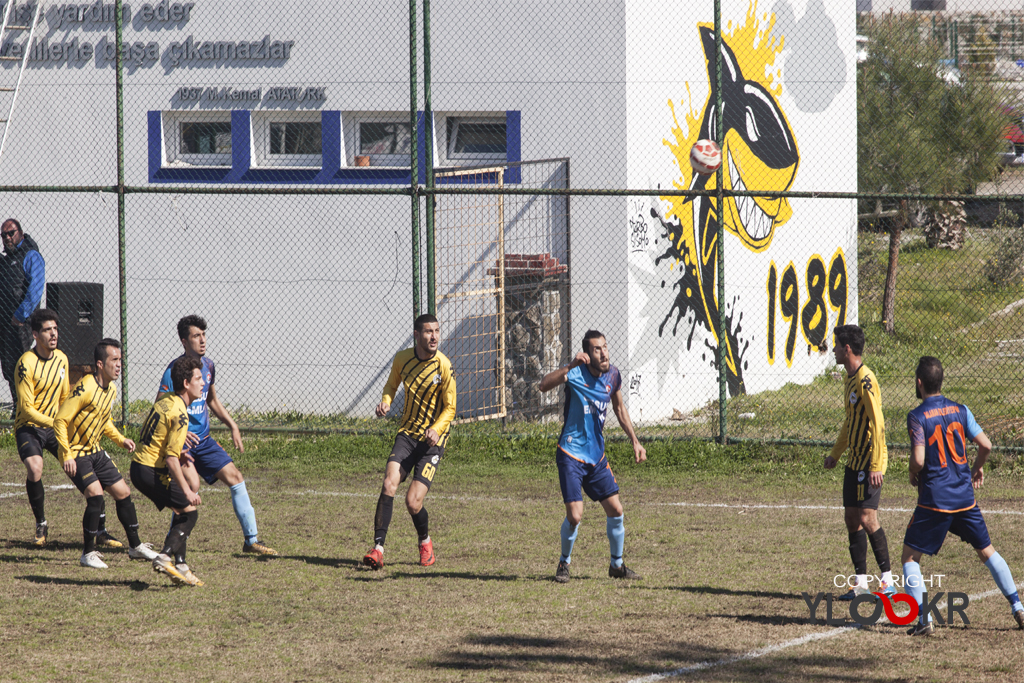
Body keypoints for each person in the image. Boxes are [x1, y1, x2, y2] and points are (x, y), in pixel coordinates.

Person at [902, 356, 1024, 635]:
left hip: (935, 500)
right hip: (964, 498)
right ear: (940, 381)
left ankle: (924, 620)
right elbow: (986, 444)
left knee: (910, 558)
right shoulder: (960, 409)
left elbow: (919, 460)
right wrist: (977, 468)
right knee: (987, 551)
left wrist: (911, 472)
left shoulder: (917, 416)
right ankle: (1018, 606)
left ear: (919, 383)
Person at [158, 315, 276, 556]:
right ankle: (172, 546)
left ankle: (251, 541)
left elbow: (211, 399)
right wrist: (177, 437)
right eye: (196, 336)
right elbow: (160, 405)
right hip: (183, 443)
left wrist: (232, 424)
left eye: (203, 334)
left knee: (235, 476)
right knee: (191, 486)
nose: (202, 340)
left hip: (204, 440)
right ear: (184, 341)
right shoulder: (174, 370)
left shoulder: (208, 366)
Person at [538, 329, 646, 583]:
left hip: (596, 457)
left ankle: (616, 566)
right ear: (587, 354)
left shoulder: (613, 375)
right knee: (575, 516)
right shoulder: (575, 373)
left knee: (616, 510)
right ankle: (564, 563)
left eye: (605, 347)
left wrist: (635, 441)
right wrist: (570, 365)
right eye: (597, 349)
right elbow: (543, 385)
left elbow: (619, 408)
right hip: (571, 454)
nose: (603, 352)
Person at [53, 338, 159, 569]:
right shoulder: (85, 387)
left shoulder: (110, 389)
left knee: (123, 492)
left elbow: (104, 420)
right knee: (96, 495)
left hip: (96, 452)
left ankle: (135, 546)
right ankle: (88, 553)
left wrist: (120, 439)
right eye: (114, 360)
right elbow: (60, 420)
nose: (119, 364)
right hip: (77, 453)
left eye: (120, 359)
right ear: (100, 364)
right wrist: (67, 454)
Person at [363, 313, 456, 570]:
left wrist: (436, 430)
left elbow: (450, 408)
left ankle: (425, 541)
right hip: (407, 435)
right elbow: (391, 386)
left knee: (413, 502)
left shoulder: (444, 366)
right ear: (417, 335)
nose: (434, 336)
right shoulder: (402, 359)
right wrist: (386, 402)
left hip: (432, 443)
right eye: (428, 332)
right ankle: (378, 549)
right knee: (389, 483)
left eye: (437, 331)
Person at [824, 324, 895, 599]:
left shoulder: (866, 380)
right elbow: (850, 422)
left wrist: (877, 464)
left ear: (847, 348)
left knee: (868, 517)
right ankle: (861, 583)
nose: (834, 350)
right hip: (854, 462)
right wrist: (835, 453)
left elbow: (877, 424)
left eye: (837, 346)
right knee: (851, 518)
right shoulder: (849, 379)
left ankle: (888, 581)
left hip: (869, 462)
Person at [133, 356, 206, 586]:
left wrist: (176, 453)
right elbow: (172, 462)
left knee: (181, 510)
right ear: (186, 383)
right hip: (150, 470)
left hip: (140, 466)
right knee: (189, 512)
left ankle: (182, 565)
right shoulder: (181, 413)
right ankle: (164, 557)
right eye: (198, 378)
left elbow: (155, 438)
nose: (203, 383)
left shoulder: (166, 401)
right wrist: (187, 491)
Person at [14, 309, 69, 546]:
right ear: (35, 335)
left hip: (55, 427)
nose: (53, 334)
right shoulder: (25, 363)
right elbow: (26, 410)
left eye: (55, 329)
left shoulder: (62, 359)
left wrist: (67, 422)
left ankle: (100, 525)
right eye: (47, 330)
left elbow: (65, 397)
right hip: (30, 427)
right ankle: (41, 522)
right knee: (35, 468)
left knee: (80, 461)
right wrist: (56, 422)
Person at [0, 218, 44, 407]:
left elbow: (35, 289)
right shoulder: (6, 260)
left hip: (22, 324)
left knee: (24, 366)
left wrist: (20, 316)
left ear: (21, 232)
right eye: (4, 235)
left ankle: (30, 407)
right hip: (5, 323)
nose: (8, 238)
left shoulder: (31, 255)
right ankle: (18, 407)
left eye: (11, 233)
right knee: (10, 368)